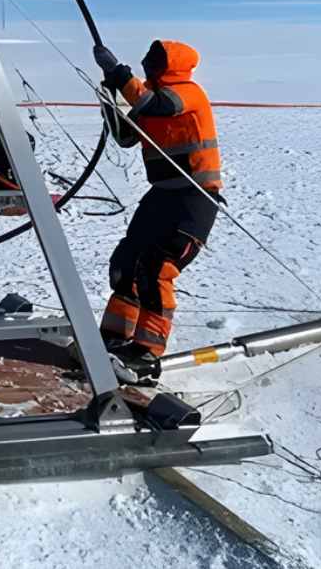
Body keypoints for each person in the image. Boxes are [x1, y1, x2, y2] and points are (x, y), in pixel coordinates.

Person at [93, 40, 224, 371]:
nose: (145, 64)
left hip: (194, 198)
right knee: (127, 261)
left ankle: (146, 353)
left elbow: (161, 107)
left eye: (152, 60)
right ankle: (113, 338)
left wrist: (119, 74)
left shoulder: (187, 92)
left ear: (169, 65)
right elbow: (125, 136)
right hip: (161, 196)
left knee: (156, 268)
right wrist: (110, 98)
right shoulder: (148, 98)